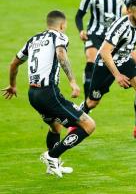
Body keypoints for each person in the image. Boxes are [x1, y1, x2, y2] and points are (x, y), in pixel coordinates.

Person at [2, 10, 96, 178]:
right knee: (88, 125)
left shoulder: (33, 40)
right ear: (62, 25)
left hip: (33, 94)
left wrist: (12, 85)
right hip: (49, 93)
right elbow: (61, 54)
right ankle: (52, 156)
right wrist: (73, 82)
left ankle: (53, 166)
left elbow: (14, 63)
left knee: (55, 126)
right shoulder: (59, 36)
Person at [80, 0, 136, 140]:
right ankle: (75, 120)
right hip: (105, 63)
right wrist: (117, 75)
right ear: (129, 12)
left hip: (124, 59)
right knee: (92, 101)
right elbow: (104, 51)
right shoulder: (120, 27)